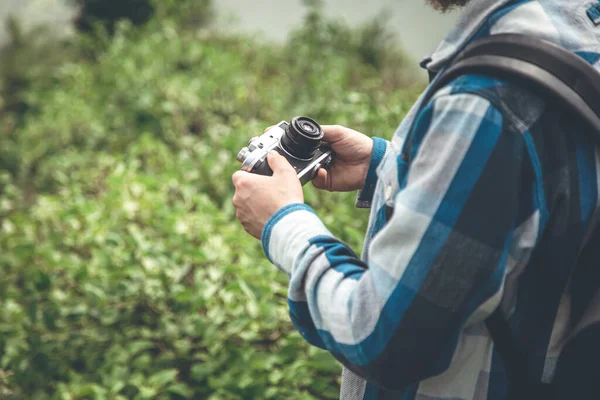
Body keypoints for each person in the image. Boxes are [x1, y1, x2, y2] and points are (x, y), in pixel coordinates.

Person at [232, 0, 600, 399]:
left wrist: (283, 224)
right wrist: (386, 165)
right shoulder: (577, 30)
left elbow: (382, 338)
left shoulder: (486, 99)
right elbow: (538, 198)